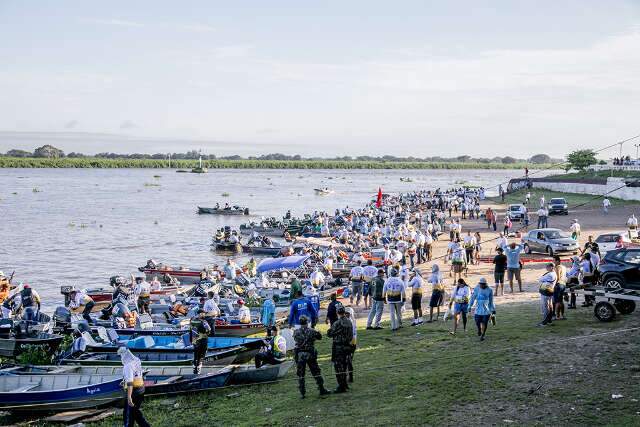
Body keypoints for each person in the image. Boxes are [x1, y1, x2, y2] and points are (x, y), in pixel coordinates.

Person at [293, 315, 330, 398]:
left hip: (300, 355)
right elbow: (319, 337)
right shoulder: (312, 331)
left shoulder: (296, 332)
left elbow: (296, 340)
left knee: (301, 374)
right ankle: (321, 388)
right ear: (307, 322)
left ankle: (302, 393)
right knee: (316, 371)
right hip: (310, 354)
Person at [118, 347, 151, 427]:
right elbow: (137, 374)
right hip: (141, 389)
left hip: (134, 392)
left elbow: (130, 382)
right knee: (135, 413)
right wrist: (124, 381)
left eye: (120, 356)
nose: (120, 358)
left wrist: (129, 397)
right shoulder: (136, 360)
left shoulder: (128, 366)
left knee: (128, 414)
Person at [327, 305, 353, 393]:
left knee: (338, 367)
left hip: (338, 347)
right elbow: (351, 335)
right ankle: (345, 384)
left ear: (337, 313)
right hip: (347, 346)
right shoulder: (349, 322)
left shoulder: (337, 323)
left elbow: (330, 334)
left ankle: (341, 386)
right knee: (345, 366)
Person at [344, 307, 357, 383]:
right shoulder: (353, 320)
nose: (346, 315)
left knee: (348, 361)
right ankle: (349, 376)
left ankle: (349, 376)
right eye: (346, 313)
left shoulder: (350, 322)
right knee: (349, 360)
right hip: (352, 343)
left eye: (348, 313)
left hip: (350, 343)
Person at [553, 256, 567, 321]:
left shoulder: (557, 267)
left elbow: (557, 277)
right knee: (561, 301)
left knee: (557, 302)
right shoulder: (564, 267)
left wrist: (553, 285)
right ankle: (562, 315)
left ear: (558, 261)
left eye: (554, 261)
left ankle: (557, 316)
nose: (553, 262)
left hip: (558, 284)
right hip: (563, 284)